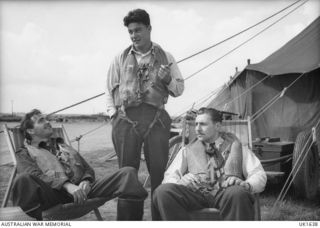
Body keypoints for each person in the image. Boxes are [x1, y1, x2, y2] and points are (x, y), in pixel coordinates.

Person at [105, 8, 184, 218]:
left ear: (149, 29)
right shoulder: (119, 58)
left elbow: (179, 89)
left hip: (156, 120)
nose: (134, 35)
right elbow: (109, 89)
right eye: (130, 32)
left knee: (158, 173)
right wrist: (113, 116)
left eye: (138, 30)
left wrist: (167, 79)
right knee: (127, 175)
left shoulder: (167, 57)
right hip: (125, 121)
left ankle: (159, 219)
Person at [12, 109, 148, 221]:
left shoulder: (63, 146)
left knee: (128, 173)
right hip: (55, 196)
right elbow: (33, 175)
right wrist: (67, 185)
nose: (48, 122)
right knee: (23, 179)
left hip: (84, 192)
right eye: (41, 120)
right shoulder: (23, 153)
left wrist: (86, 180)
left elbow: (88, 169)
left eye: (47, 119)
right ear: (30, 131)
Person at [152, 107, 267, 220]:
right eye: (196, 124)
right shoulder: (188, 149)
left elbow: (258, 174)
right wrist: (180, 181)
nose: (197, 129)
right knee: (163, 192)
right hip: (196, 193)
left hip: (225, 193)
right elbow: (169, 176)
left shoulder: (237, 146)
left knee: (238, 193)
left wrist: (247, 184)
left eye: (203, 124)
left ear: (217, 126)